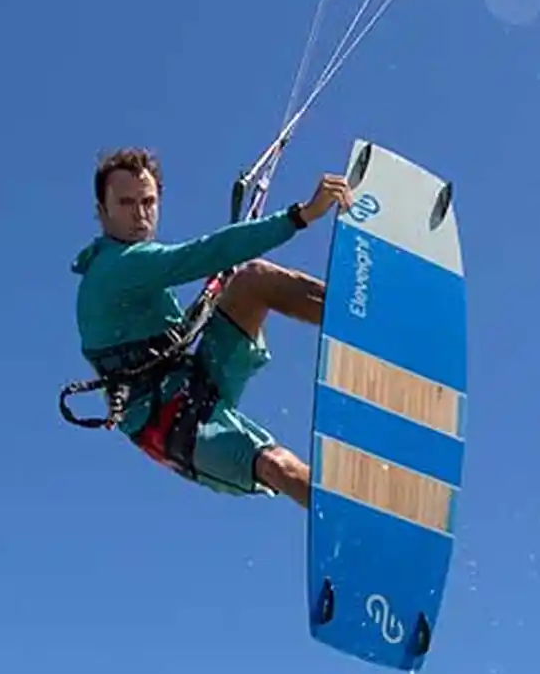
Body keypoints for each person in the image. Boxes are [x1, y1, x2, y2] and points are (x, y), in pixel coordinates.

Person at [71, 147, 353, 507]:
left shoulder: (136, 262)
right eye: (126, 203)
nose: (140, 215)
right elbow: (202, 253)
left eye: (148, 202)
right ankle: (352, 523)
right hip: (166, 424)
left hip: (196, 377)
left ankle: (357, 319)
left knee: (252, 280)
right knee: (274, 465)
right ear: (102, 212)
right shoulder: (114, 268)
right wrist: (302, 215)